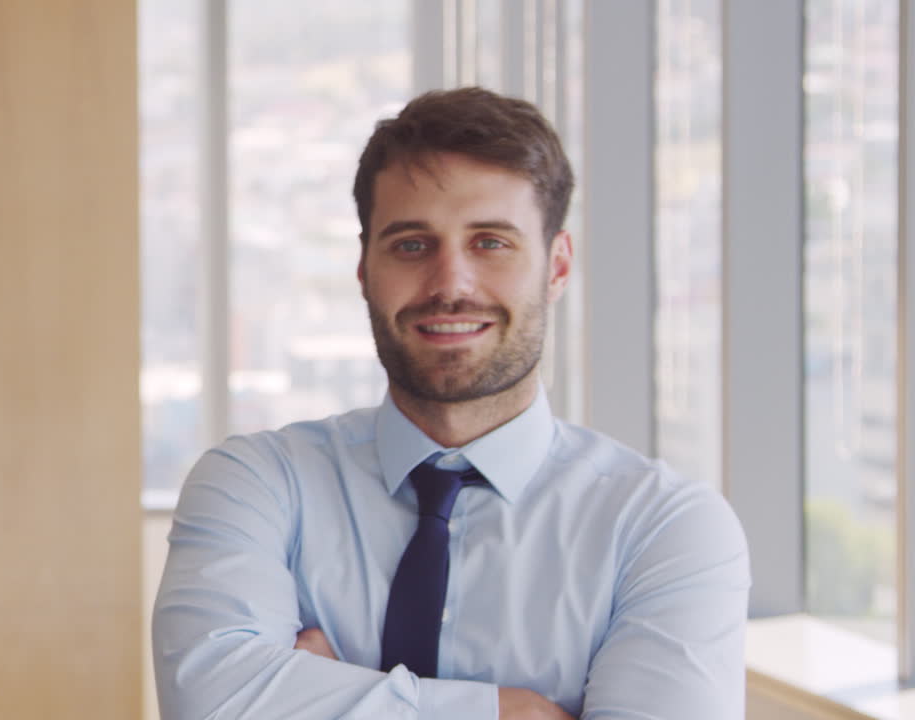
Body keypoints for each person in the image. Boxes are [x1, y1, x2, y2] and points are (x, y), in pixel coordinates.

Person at [152, 87, 750, 719]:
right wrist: (513, 713)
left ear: (557, 267)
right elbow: (210, 704)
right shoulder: (256, 483)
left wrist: (332, 695)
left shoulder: (662, 528)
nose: (450, 284)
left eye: (490, 242)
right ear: (364, 270)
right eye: (412, 244)